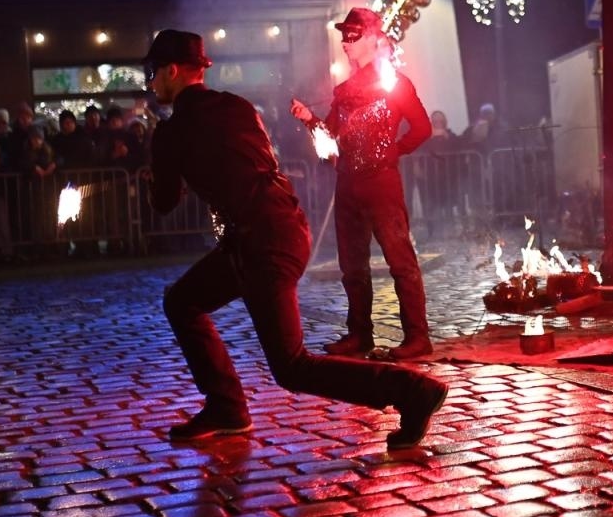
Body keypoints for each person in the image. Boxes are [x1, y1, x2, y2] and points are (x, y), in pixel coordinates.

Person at [146, 28, 447, 446]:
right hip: (276, 231)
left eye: (153, 72)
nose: (150, 82)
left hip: (261, 244)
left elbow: (163, 203)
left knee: (292, 367)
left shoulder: (173, 131)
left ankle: (413, 391)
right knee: (182, 300)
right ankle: (226, 406)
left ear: (173, 71)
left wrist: (155, 159)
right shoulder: (235, 106)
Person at [291, 7, 434, 362]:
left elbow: (423, 128)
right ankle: (360, 334)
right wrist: (310, 121)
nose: (346, 42)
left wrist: (393, 152)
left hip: (381, 183)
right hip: (349, 183)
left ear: (373, 37)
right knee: (352, 265)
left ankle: (418, 337)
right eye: (344, 35)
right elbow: (330, 143)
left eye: (353, 35)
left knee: (401, 261)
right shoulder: (343, 91)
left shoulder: (394, 82)